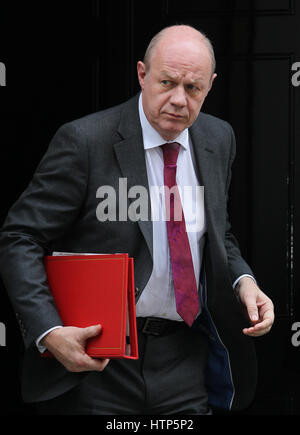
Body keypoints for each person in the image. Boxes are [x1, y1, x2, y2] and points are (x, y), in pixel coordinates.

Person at [0, 25, 274, 415]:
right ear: (143, 75)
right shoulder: (84, 141)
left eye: (193, 88)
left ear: (210, 86)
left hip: (187, 356)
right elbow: (20, 237)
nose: (179, 100)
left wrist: (243, 281)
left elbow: (216, 233)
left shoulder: (218, 138)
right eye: (167, 82)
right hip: (99, 361)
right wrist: (50, 332)